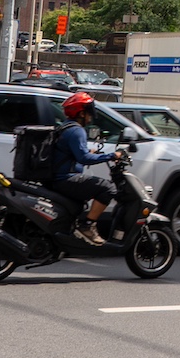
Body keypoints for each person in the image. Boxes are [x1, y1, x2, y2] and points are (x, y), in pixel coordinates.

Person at [48, 92, 116, 244]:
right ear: (81, 113)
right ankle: (87, 225)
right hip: (65, 179)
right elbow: (83, 158)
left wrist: (89, 152)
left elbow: (71, 153)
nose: (91, 116)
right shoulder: (77, 130)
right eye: (89, 112)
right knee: (108, 188)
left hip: (57, 178)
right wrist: (111, 156)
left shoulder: (65, 127)